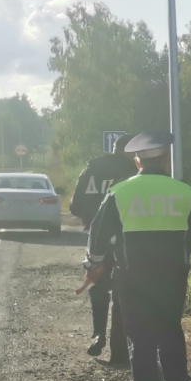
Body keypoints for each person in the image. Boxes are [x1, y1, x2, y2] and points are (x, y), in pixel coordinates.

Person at [84, 132, 191, 381]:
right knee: (171, 330)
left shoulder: (120, 192)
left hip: (132, 279)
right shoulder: (184, 192)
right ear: (165, 159)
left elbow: (98, 233)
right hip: (172, 277)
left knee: (141, 343)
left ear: (136, 161)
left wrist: (92, 265)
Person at [69, 135, 135, 361]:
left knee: (98, 285)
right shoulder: (133, 172)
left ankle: (98, 335)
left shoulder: (91, 169)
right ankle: (120, 349)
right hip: (126, 239)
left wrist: (92, 217)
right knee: (122, 292)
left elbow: (75, 206)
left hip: (96, 240)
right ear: (130, 151)